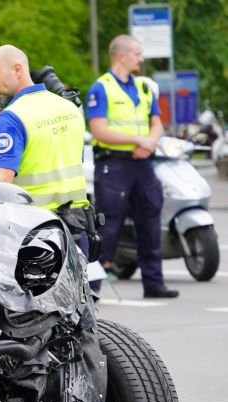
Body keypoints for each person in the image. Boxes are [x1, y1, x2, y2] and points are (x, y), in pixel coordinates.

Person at [86, 35, 178, 298]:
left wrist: (149, 142)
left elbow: (157, 122)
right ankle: (91, 289)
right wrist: (139, 140)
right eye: (137, 53)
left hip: (143, 163)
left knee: (150, 219)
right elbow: (99, 130)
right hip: (114, 164)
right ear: (121, 56)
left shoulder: (144, 88)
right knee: (109, 225)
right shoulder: (101, 88)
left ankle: (154, 284)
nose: (142, 58)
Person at [0, 46, 93, 256]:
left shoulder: (12, 117)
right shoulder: (69, 109)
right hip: (79, 228)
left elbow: (2, 183)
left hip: (38, 234)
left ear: (17, 70)